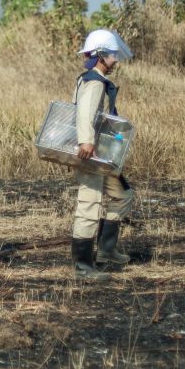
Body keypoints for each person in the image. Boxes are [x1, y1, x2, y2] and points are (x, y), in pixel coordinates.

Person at [70, 29, 136, 281]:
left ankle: (107, 250)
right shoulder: (95, 81)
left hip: (101, 155)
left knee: (124, 195)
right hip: (91, 153)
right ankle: (83, 266)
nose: (115, 60)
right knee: (89, 204)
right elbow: (84, 112)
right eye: (111, 55)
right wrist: (86, 141)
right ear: (100, 56)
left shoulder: (91, 78)